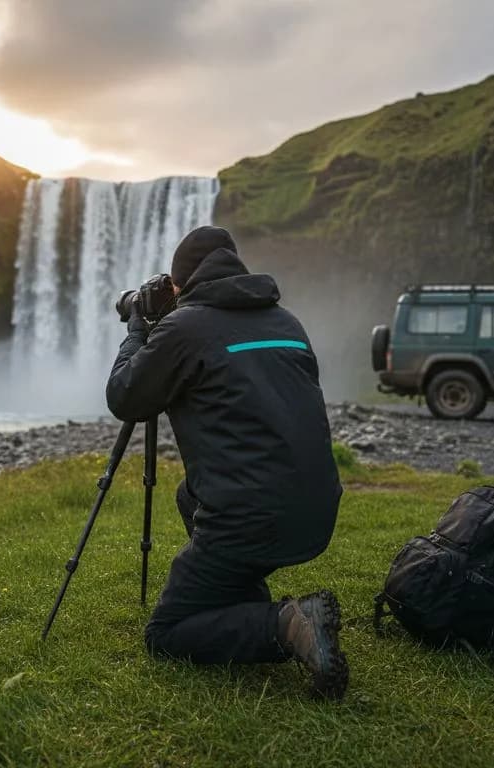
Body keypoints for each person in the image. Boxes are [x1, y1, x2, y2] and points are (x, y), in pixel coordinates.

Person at [105, 225, 347, 699]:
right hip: (317, 512)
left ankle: (289, 624)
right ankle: (241, 596)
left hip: (249, 517)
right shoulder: (287, 322)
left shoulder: (185, 328)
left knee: (167, 633)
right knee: (188, 494)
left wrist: (137, 329)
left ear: (181, 285)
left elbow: (124, 397)